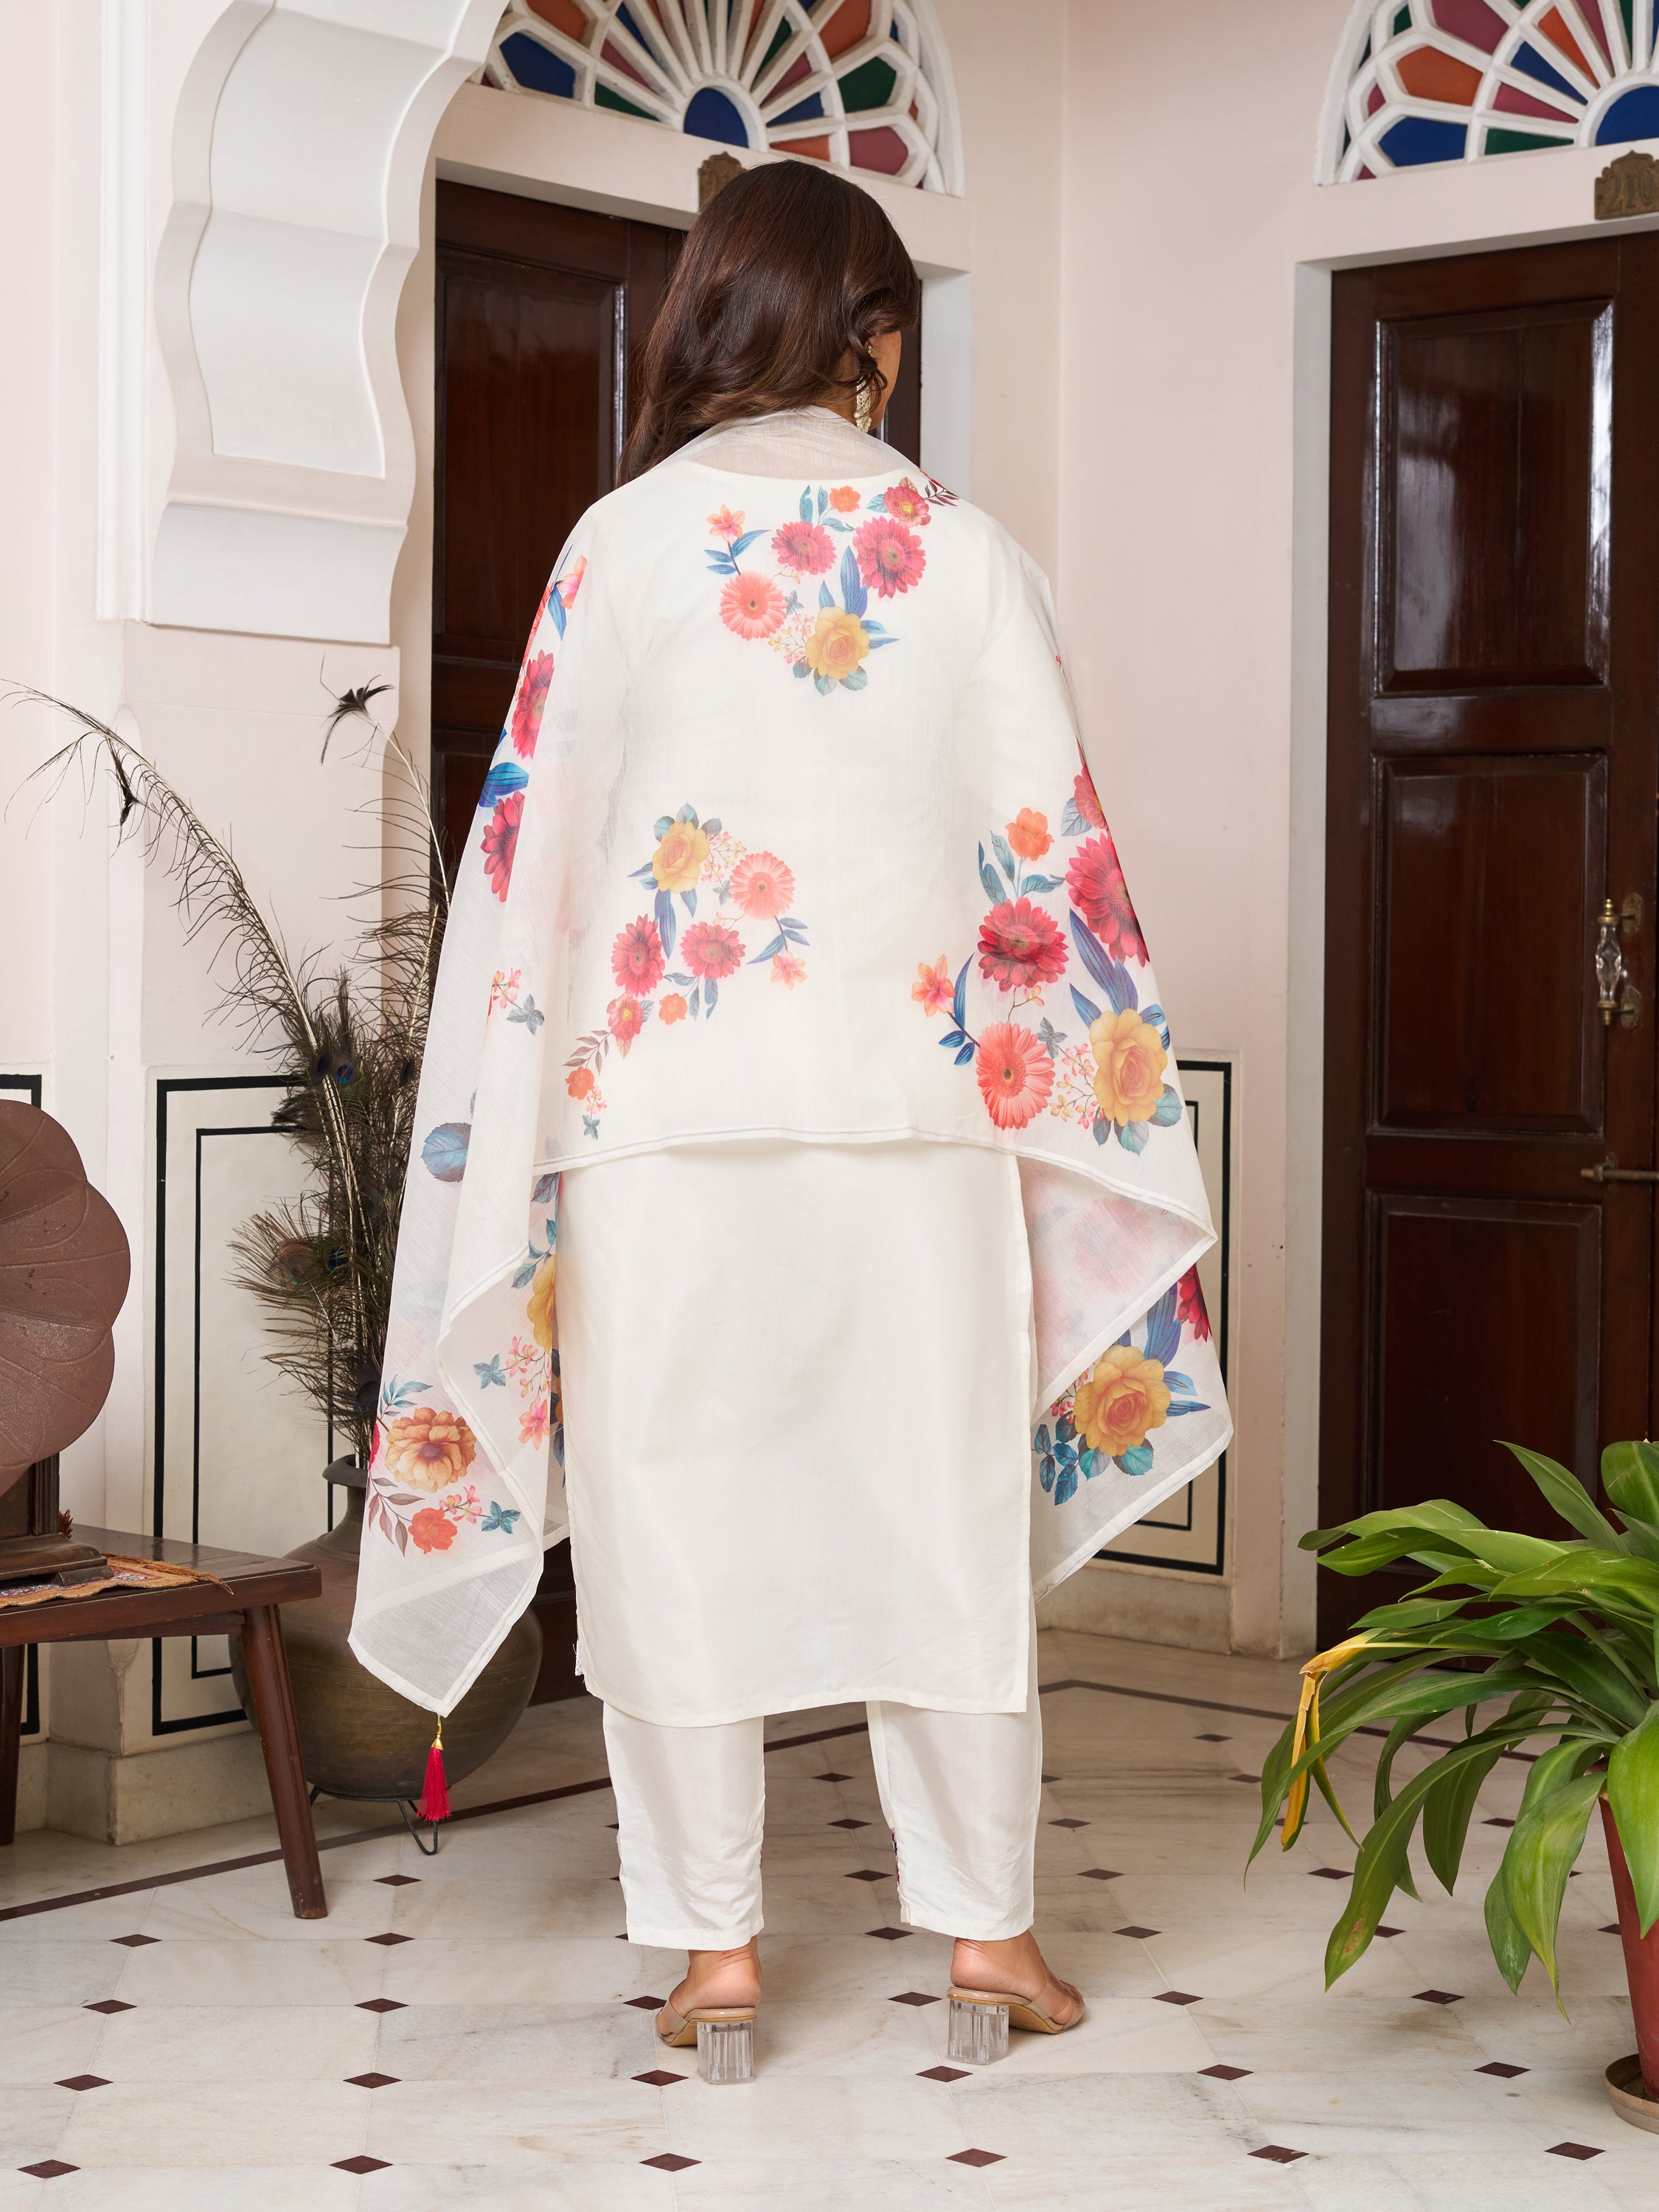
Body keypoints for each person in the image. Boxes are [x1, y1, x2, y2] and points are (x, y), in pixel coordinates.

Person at [350, 159, 1229, 2078]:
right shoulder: (965, 556)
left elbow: (529, 876)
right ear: (873, 340)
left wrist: (517, 1126)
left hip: (659, 1128)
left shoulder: (616, 548)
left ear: (712, 316)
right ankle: (989, 1938)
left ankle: (713, 1961)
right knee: (943, 1518)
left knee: (670, 1519)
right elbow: (1048, 873)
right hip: (917, 1125)